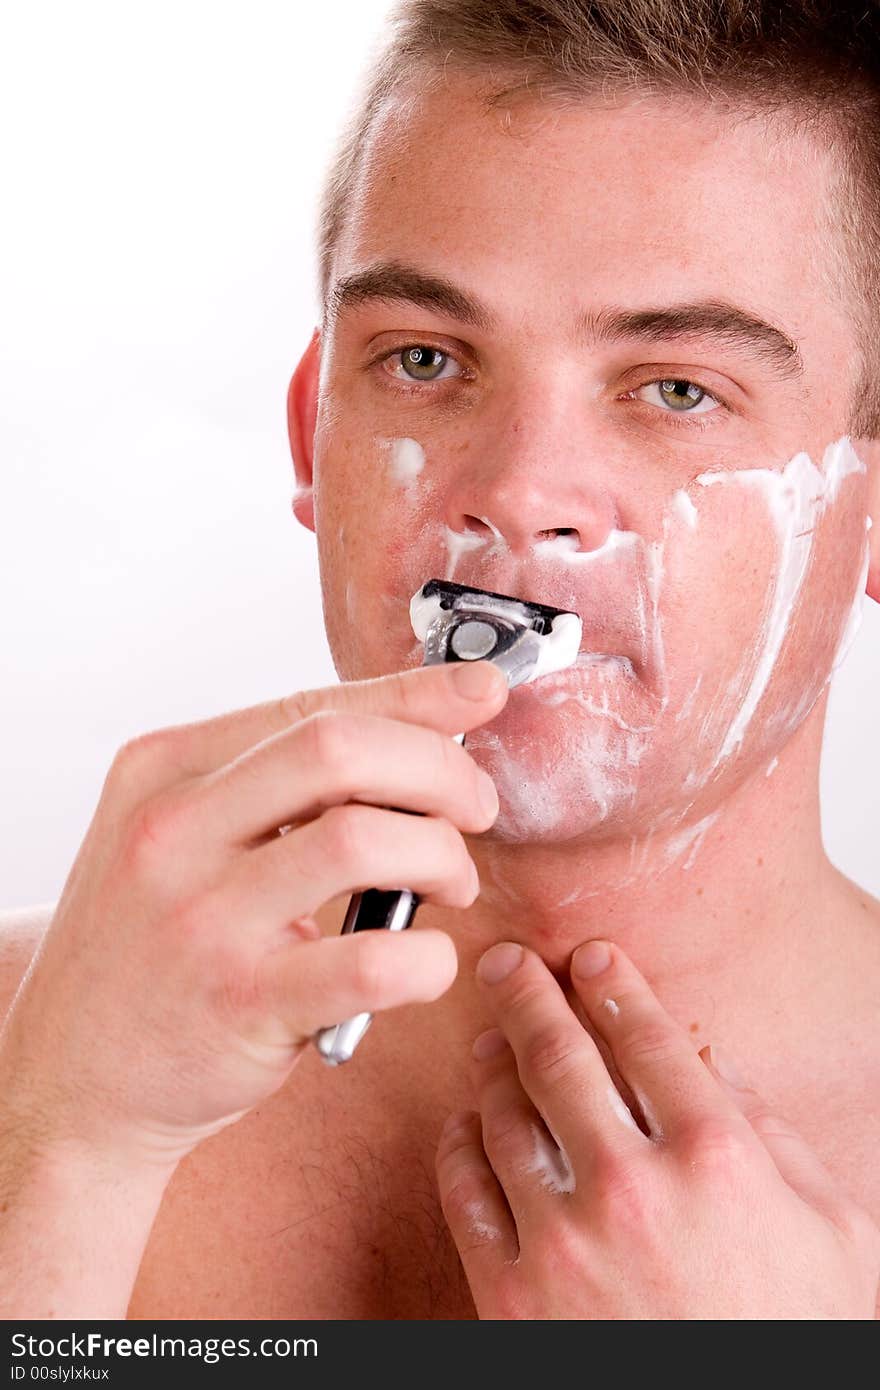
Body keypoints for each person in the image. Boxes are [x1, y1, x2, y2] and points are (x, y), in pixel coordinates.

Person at [1, 0, 879, 1321]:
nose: (521, 494)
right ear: (314, 435)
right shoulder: (36, 1066)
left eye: (676, 388)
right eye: (426, 359)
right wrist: (62, 1168)